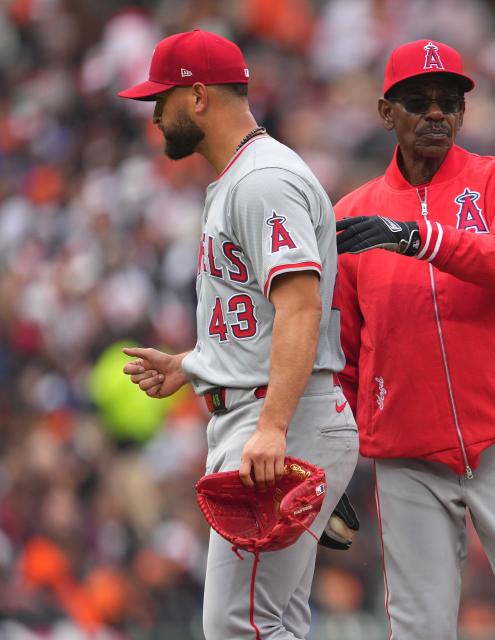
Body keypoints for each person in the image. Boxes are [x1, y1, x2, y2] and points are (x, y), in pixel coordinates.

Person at [117, 30, 359, 640]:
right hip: (268, 411)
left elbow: (301, 309)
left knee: (237, 625)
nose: (155, 113)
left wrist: (275, 426)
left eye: (162, 98)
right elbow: (265, 318)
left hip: (279, 418)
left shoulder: (262, 180)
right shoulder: (243, 177)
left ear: (198, 96)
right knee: (273, 621)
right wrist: (192, 365)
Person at [333, 39, 495, 639]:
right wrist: (330, 465)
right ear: (387, 112)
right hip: (407, 454)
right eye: (418, 101)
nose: (436, 112)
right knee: (420, 631)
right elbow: (339, 355)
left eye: (449, 101)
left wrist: (420, 237)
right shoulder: (353, 212)